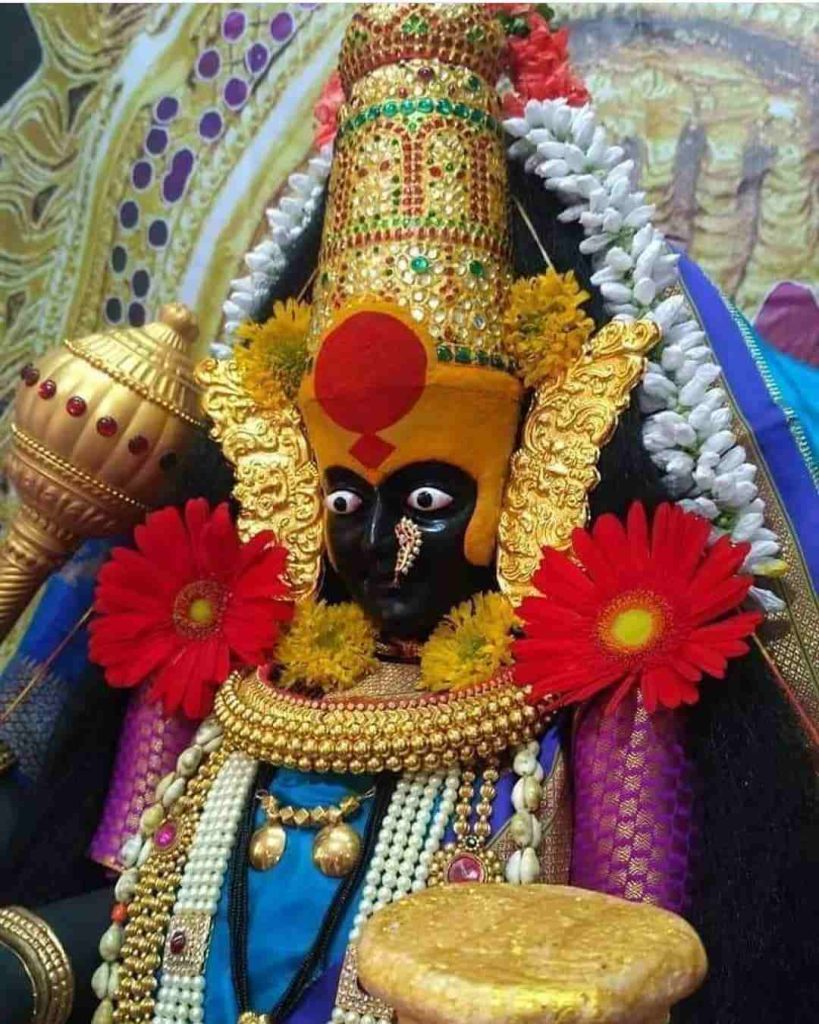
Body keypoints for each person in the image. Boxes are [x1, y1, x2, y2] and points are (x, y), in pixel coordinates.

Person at [0, 6, 816, 1023]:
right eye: (347, 498)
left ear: (527, 480)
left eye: (429, 499)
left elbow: (621, 964)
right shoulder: (230, 660)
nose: (381, 545)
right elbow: (139, 918)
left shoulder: (600, 696)